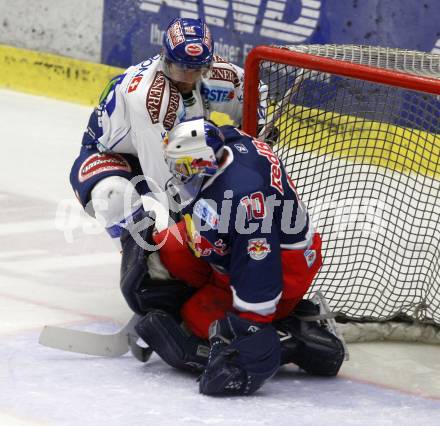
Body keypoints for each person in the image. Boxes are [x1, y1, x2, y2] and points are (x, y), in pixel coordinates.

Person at [133, 119, 345, 396]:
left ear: (202, 161)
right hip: (245, 243)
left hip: (283, 270)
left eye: (182, 166)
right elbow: (227, 132)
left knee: (193, 323)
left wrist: (250, 332)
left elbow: (259, 268)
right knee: (168, 247)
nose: (176, 173)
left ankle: (293, 337)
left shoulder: (244, 204)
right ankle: (207, 290)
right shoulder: (230, 143)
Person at [69, 17, 268, 253]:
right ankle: (140, 261)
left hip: (174, 146)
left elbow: (254, 92)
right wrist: (192, 237)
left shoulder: (216, 75)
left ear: (209, 63)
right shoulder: (149, 100)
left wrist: (257, 134)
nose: (189, 79)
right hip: (111, 157)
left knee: (225, 159)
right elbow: (163, 184)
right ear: (165, 58)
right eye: (180, 69)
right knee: (112, 196)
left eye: (197, 70)